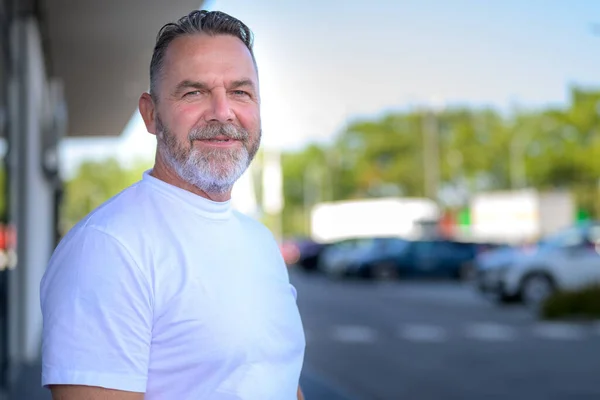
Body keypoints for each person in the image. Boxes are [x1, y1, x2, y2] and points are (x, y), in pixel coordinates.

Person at [40, 10, 306, 400]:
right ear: (151, 114)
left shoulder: (260, 241)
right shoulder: (108, 249)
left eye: (240, 92)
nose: (222, 112)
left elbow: (278, 379)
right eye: (193, 92)